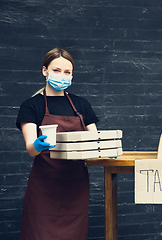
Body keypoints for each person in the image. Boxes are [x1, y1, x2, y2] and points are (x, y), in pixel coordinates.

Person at [16, 48, 99, 239]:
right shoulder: (31, 106)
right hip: (44, 186)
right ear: (44, 71)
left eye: (67, 72)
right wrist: (37, 145)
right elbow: (30, 149)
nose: (62, 75)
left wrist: (103, 149)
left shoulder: (82, 105)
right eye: (56, 70)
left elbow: (94, 139)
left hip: (75, 186)